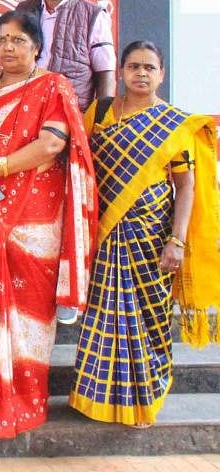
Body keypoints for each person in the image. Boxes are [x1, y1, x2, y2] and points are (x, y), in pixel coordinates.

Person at [0, 10, 96, 439]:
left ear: (37, 46)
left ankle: (22, 398)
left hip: (32, 217)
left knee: (28, 303)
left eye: (19, 40)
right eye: (3, 39)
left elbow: (51, 144)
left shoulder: (53, 86)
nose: (9, 47)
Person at [70, 40, 220, 427]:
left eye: (149, 68)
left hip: (151, 235)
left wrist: (177, 239)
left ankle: (144, 400)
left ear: (161, 75)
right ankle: (94, 399)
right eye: (133, 66)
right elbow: (79, 169)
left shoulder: (172, 123)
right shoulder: (100, 112)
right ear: (120, 72)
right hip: (103, 232)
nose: (141, 73)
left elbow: (185, 186)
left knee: (148, 318)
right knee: (104, 316)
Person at [16, 0, 116, 111]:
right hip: (27, 110)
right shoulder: (23, 10)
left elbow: (105, 72)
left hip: (70, 113)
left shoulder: (93, 15)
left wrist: (100, 118)